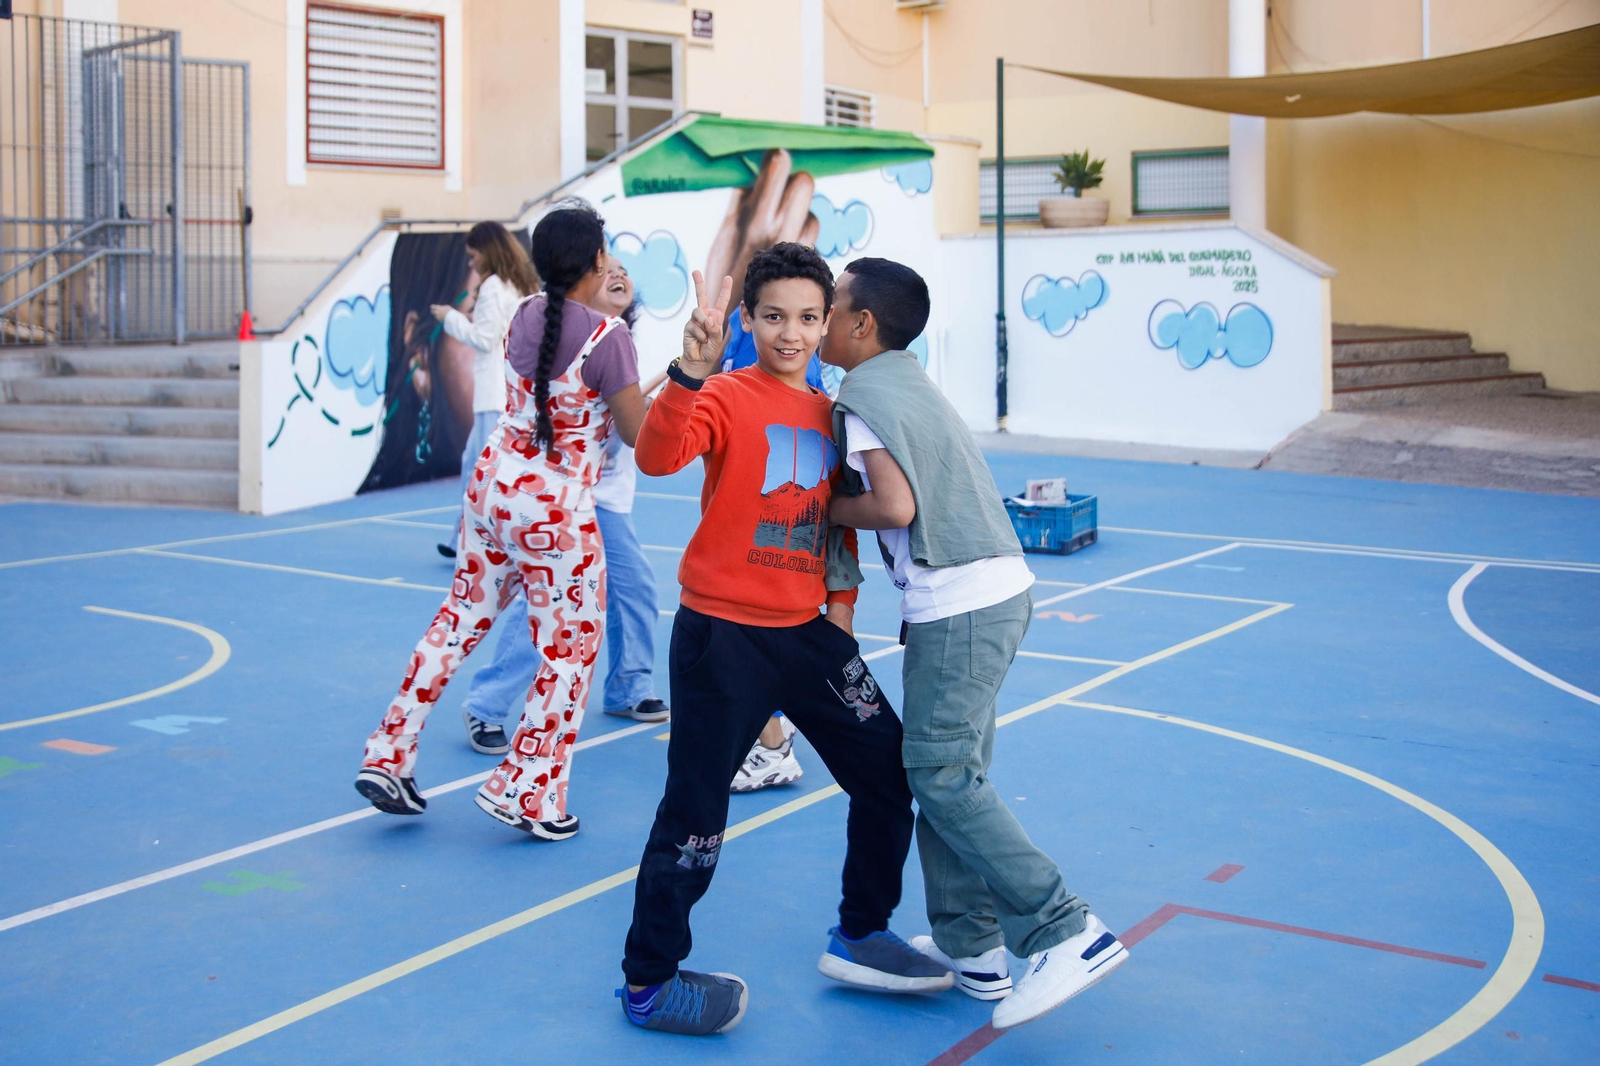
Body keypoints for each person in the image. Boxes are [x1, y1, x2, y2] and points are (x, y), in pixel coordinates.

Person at [615, 244, 950, 1037]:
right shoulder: (726, 394)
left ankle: (862, 933)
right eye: (773, 317)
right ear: (748, 320)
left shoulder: (834, 411)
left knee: (887, 775)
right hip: (720, 639)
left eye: (807, 318)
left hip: (808, 638)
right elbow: (657, 457)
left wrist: (841, 607)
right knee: (694, 816)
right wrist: (689, 370)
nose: (791, 334)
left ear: (828, 320)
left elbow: (839, 525)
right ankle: (648, 982)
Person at [823, 257, 1128, 1031]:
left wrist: (821, 503)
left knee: (940, 772)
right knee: (951, 772)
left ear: (861, 325)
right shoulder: (904, 378)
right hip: (989, 593)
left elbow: (891, 505)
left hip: (961, 602)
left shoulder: (861, 396)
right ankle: (974, 947)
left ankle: (1066, 929)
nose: (818, 317)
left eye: (828, 305)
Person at [354, 202, 648, 842]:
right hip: (555, 511)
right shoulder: (609, 340)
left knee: (456, 619)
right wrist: (683, 378)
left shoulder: (523, 313)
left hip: (493, 490)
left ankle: (389, 752)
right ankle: (529, 788)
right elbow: (642, 439)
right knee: (569, 652)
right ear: (597, 261)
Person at [459, 256, 669, 757]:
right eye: (607, 269)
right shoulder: (572, 344)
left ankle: (628, 687)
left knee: (632, 588)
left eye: (624, 270)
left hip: (607, 501)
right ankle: (486, 704)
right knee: (549, 603)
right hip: (567, 500)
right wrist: (650, 407)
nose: (618, 275)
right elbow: (618, 435)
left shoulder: (622, 342)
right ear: (583, 288)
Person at [432, 221, 540, 559]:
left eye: (473, 255)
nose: (471, 263)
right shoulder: (519, 285)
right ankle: (461, 538)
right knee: (478, 466)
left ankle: (478, 541)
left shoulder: (495, 285)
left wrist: (450, 318)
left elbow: (485, 338)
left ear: (487, 252)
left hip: (493, 392)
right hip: (508, 390)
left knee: (480, 470)